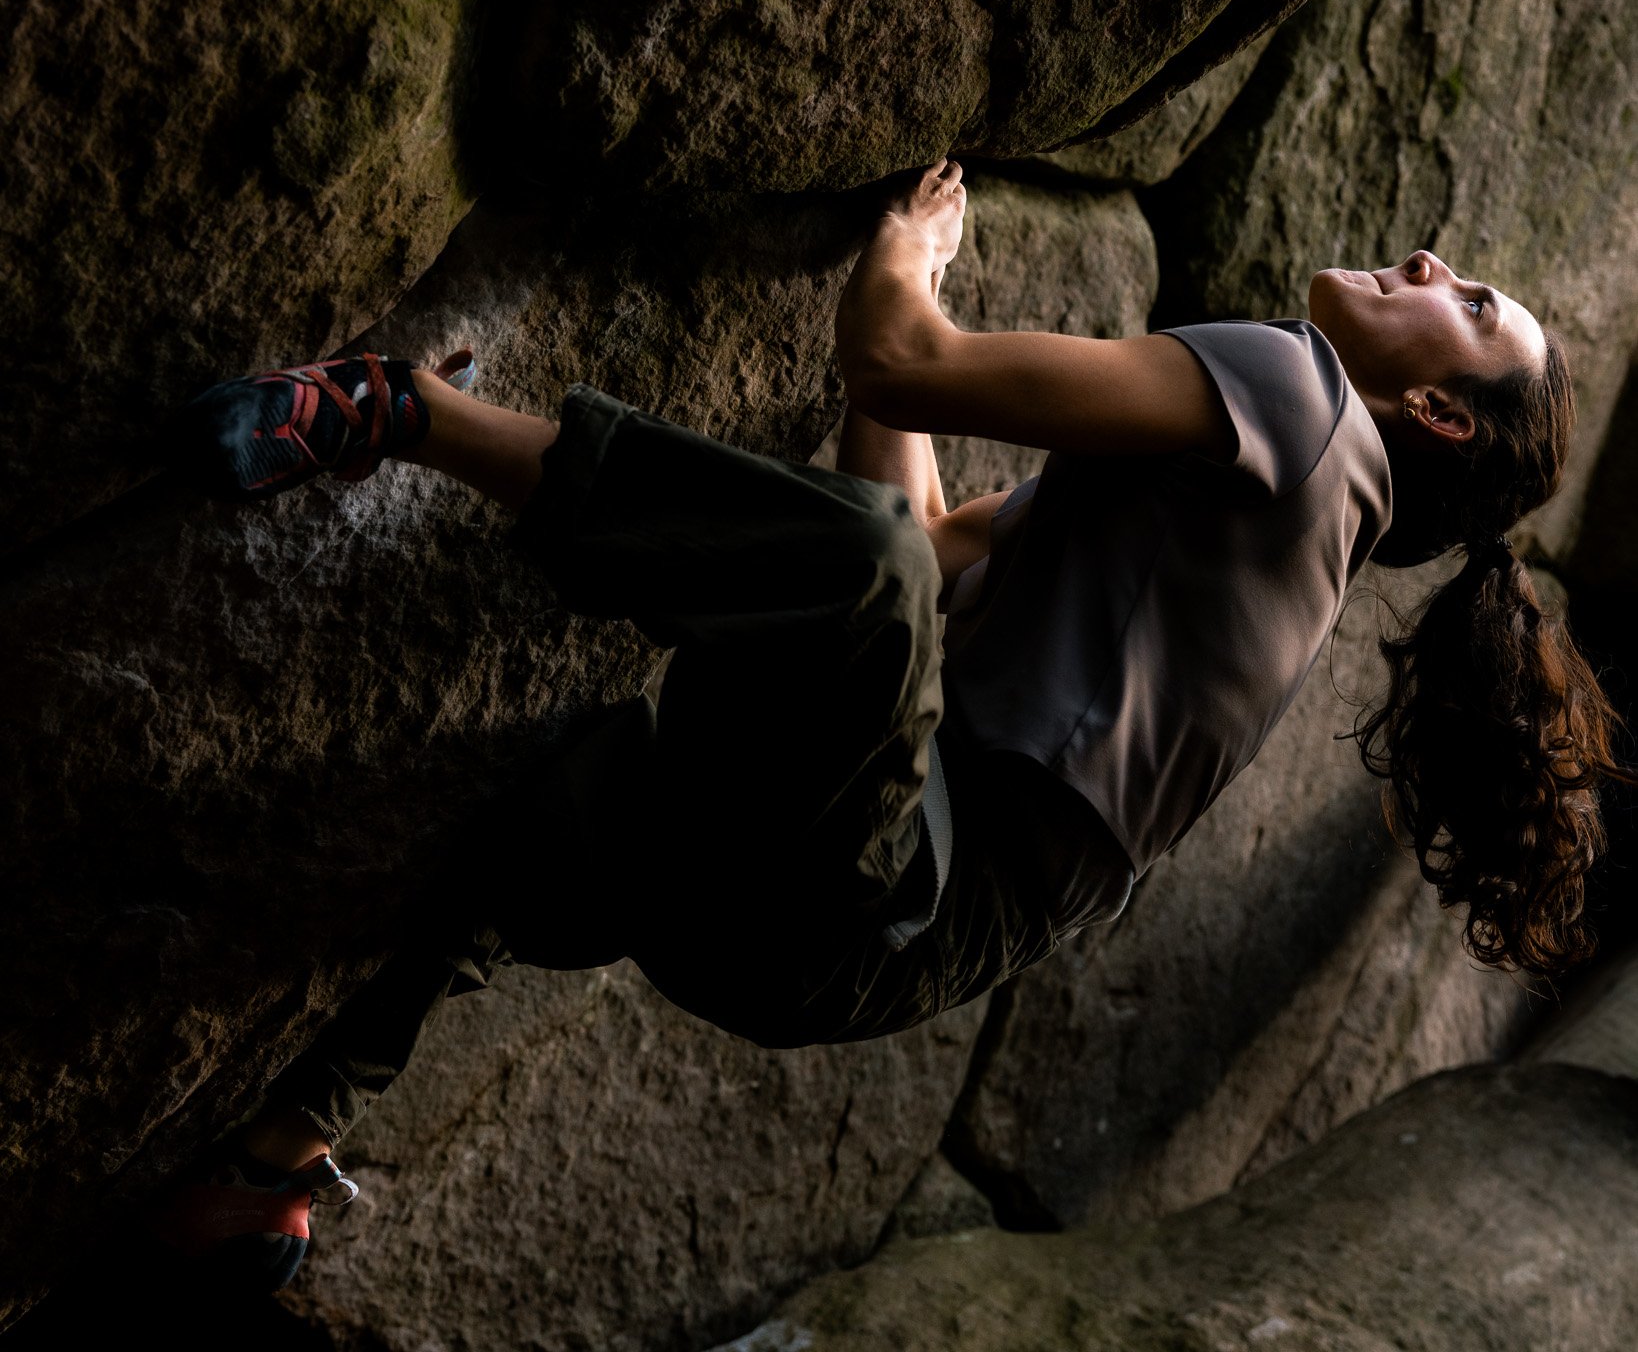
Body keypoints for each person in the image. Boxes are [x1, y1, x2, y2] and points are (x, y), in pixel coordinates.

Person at [151, 160, 1624, 1291]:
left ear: (1432, 409)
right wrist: (898, 331)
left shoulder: (1303, 402)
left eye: (1473, 304)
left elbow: (898, 375)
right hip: (812, 953)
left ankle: (398, 414)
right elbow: (921, 524)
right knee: (574, 805)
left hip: (891, 880)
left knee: (848, 580)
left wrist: (909, 253)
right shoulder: (1275, 538)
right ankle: (271, 1167)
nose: (1437, 263)